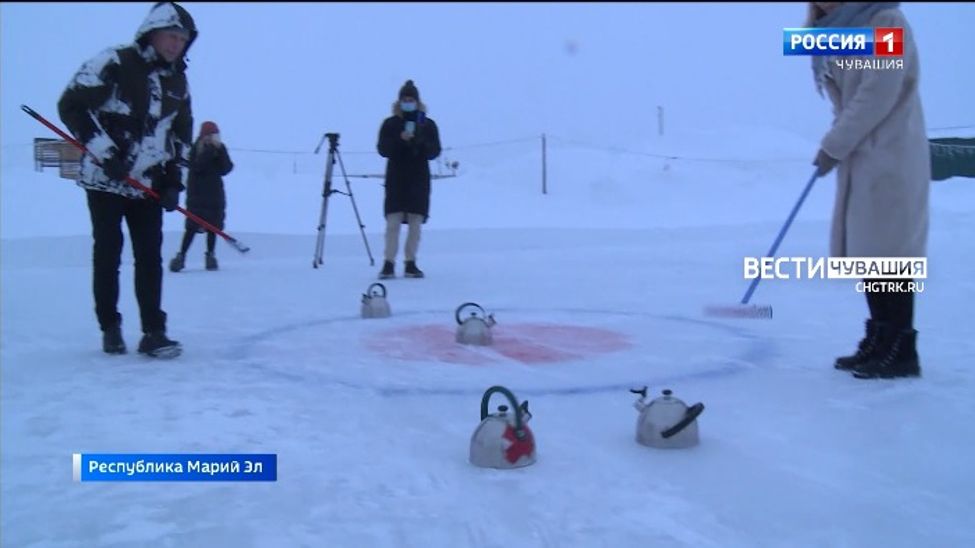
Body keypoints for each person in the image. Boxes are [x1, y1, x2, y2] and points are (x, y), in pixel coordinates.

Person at [58, 1, 197, 359]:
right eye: (171, 35)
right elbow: (71, 105)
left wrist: (172, 182)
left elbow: (181, 135)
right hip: (106, 181)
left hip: (147, 185)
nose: (175, 44)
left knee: (149, 257)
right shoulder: (116, 62)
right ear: (152, 32)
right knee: (109, 252)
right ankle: (110, 326)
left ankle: (154, 331)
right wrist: (105, 153)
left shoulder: (178, 81)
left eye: (182, 39)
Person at [807, 2, 930, 379]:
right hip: (863, 155)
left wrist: (834, 144)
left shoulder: (886, 21)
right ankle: (880, 338)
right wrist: (838, 144)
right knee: (871, 253)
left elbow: (878, 93)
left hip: (891, 153)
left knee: (890, 253)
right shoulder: (833, 34)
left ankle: (901, 348)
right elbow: (845, 103)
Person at [376, 80, 442, 279]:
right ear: (399, 101)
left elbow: (435, 151)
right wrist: (399, 139)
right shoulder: (390, 124)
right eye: (404, 99)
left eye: (411, 99)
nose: (408, 102)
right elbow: (382, 149)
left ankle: (410, 262)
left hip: (418, 180)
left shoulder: (428, 124)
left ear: (417, 101)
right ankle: (388, 262)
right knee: (392, 223)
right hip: (396, 179)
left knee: (415, 224)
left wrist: (420, 142)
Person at [170, 121, 234, 272]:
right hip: (197, 195)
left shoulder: (219, 149)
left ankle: (210, 255)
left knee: (213, 227)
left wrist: (220, 151)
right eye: (212, 135)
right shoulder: (195, 149)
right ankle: (181, 256)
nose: (214, 138)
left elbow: (227, 168)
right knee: (192, 227)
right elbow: (198, 167)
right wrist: (210, 150)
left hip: (214, 195)